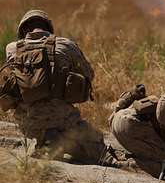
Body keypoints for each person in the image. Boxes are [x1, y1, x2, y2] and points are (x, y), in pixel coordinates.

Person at [0, 9, 116, 166]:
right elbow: (89, 74)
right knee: (100, 148)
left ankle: (45, 141)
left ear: (24, 30)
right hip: (64, 120)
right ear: (48, 27)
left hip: (27, 123)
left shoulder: (12, 48)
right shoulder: (65, 44)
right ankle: (56, 141)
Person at [109, 83, 165, 177]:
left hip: (117, 118)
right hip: (132, 125)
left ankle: (121, 155)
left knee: (155, 155)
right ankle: (123, 163)